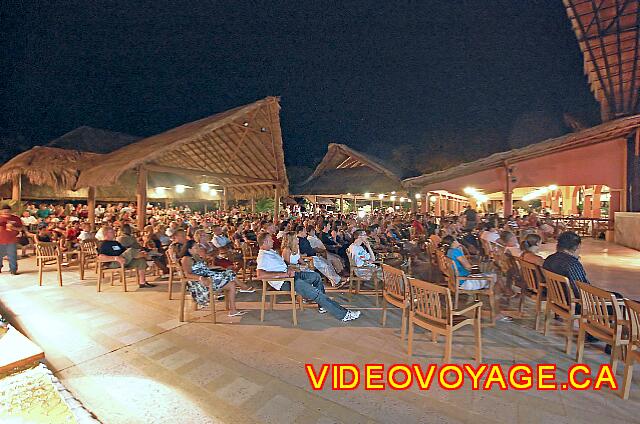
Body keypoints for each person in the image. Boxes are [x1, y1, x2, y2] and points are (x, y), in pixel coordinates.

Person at [256, 232, 360, 322]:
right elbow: (260, 275)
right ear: (265, 242)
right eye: (270, 240)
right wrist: (284, 274)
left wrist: (289, 268)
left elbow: (283, 264)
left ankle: (322, 306)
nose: (273, 241)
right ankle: (343, 314)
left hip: (291, 275)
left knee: (316, 276)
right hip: (285, 281)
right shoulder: (263, 256)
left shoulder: (270, 252)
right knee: (316, 293)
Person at [180, 241, 246, 316]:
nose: (198, 248)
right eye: (196, 247)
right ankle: (244, 287)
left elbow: (205, 268)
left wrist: (218, 267)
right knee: (229, 273)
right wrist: (200, 278)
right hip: (200, 282)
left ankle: (233, 310)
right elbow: (187, 274)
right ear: (189, 249)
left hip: (208, 277)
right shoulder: (186, 259)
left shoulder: (196, 256)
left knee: (232, 284)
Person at [543, 231, 589, 298]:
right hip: (575, 303)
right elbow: (581, 290)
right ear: (577, 246)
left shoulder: (549, 259)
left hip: (557, 299)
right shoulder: (572, 264)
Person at [0, 205, 23, 275]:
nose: (6, 213)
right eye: (4, 211)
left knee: (12, 255)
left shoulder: (16, 218)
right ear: (1, 211)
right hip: (0, 239)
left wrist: (13, 227)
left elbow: (20, 229)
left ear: (10, 211)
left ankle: (13, 270)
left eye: (8, 211)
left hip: (12, 240)